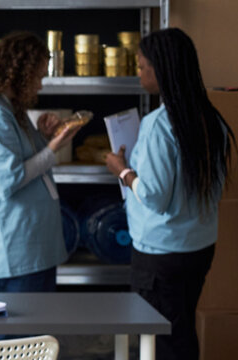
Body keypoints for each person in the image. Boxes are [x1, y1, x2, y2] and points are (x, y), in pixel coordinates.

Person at [104, 28, 234, 360]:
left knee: (161, 341)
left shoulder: (158, 125)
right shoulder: (211, 118)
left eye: (143, 66)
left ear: (162, 70)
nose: (139, 72)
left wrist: (122, 169)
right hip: (199, 245)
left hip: (160, 254)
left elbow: (153, 196)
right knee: (180, 331)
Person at [0, 32, 82, 301]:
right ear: (20, 73)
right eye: (37, 76)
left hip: (33, 248)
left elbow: (23, 160)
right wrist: (53, 148)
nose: (40, 86)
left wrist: (43, 136)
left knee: (34, 337)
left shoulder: (10, 110)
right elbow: (8, 179)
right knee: (5, 340)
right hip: (14, 251)